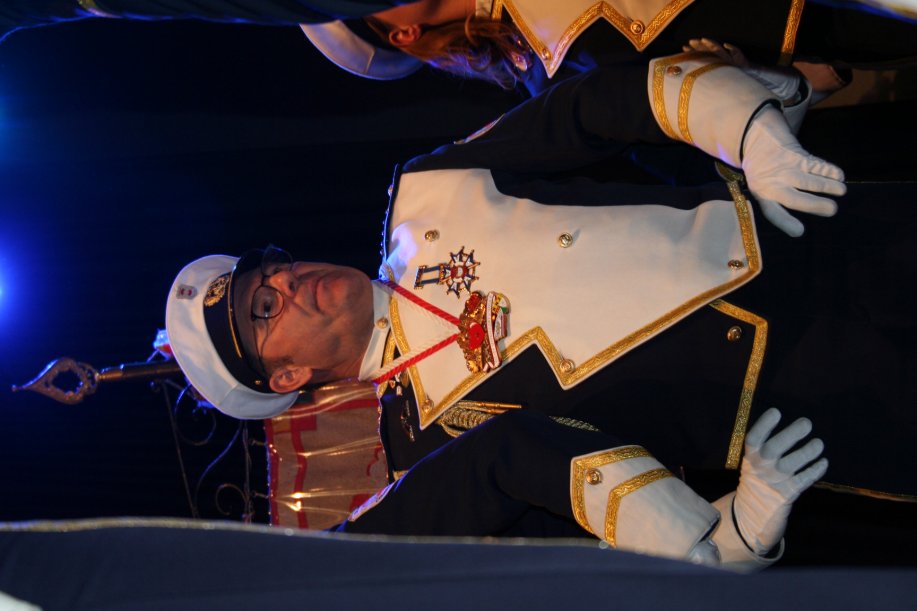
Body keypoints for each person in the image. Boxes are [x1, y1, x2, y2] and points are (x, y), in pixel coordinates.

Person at [164, 52, 908, 564]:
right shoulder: (431, 454)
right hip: (818, 410)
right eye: (266, 308)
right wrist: (741, 528)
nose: (289, 281)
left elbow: (585, 111)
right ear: (288, 376)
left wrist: (744, 128)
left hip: (819, 235)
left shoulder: (427, 190)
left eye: (272, 268)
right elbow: (609, 548)